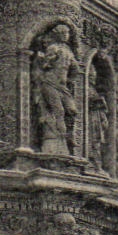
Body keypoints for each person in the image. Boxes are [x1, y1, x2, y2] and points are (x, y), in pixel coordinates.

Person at [32, 22, 78, 155]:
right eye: (63, 33)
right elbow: (45, 64)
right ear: (57, 35)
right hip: (49, 83)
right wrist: (47, 59)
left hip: (62, 86)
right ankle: (58, 141)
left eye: (67, 33)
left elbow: (75, 69)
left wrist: (69, 76)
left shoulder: (68, 50)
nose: (66, 36)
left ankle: (68, 137)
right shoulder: (53, 48)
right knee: (58, 111)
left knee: (72, 110)